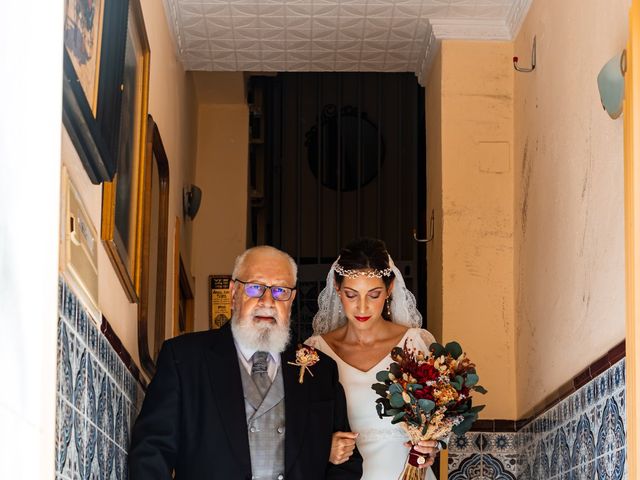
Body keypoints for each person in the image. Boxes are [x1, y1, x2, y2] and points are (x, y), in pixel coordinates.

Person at [129, 245, 363, 480]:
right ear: (233, 293)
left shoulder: (321, 370)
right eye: (255, 288)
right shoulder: (185, 359)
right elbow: (152, 451)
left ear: (291, 299)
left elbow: (346, 464)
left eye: (280, 290)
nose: (268, 301)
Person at [305, 238, 440, 480]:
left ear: (389, 290)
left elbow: (437, 419)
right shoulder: (315, 352)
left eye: (374, 294)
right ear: (337, 288)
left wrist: (433, 446)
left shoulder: (415, 344)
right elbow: (299, 425)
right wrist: (323, 448)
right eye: (351, 294)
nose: (362, 307)